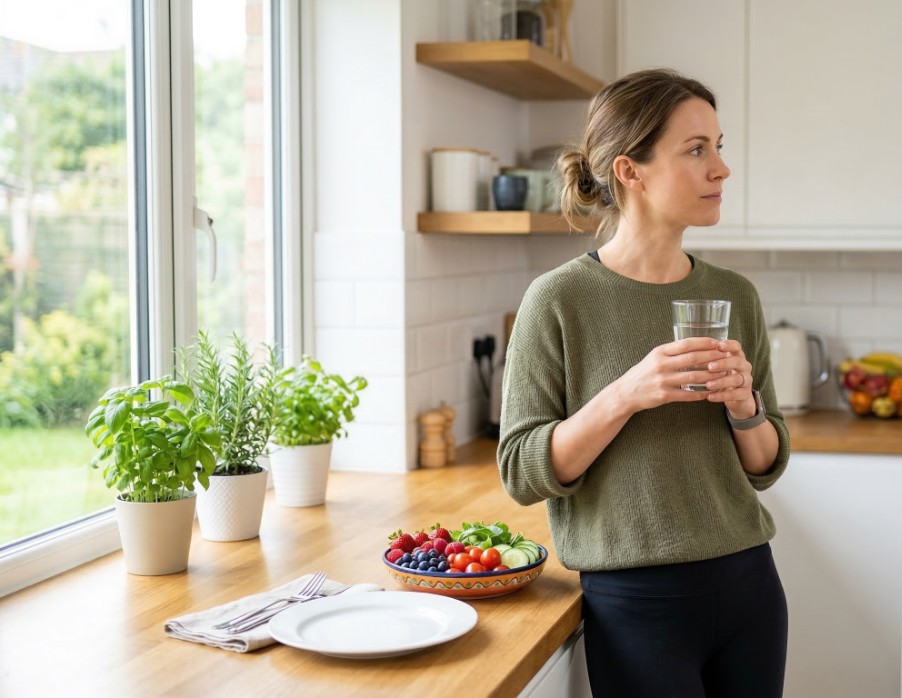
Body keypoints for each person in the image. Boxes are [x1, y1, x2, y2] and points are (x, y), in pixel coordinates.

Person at [497, 69, 790, 697]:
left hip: (749, 586)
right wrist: (627, 392)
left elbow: (767, 463)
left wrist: (746, 406)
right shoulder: (557, 300)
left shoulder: (734, 294)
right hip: (636, 603)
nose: (721, 169)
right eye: (696, 149)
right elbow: (521, 472)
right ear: (630, 171)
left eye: (719, 146)